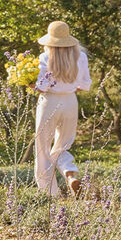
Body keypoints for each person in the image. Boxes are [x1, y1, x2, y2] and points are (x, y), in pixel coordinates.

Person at [33, 21, 92, 197]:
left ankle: (50, 194)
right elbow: (84, 85)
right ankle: (70, 173)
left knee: (43, 148)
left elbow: (42, 87)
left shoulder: (45, 57)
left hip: (49, 102)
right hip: (70, 101)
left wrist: (31, 83)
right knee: (63, 145)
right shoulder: (80, 56)